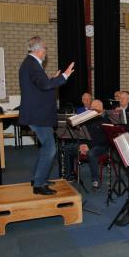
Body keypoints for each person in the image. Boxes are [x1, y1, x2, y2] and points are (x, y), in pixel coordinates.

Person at [18, 36, 75, 195]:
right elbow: (45, 85)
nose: (45, 53)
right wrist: (63, 77)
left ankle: (37, 178)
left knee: (46, 147)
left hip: (38, 113)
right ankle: (39, 184)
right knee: (50, 148)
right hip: (38, 114)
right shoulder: (32, 65)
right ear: (39, 50)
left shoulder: (29, 64)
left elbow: (40, 86)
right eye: (45, 49)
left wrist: (53, 79)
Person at [63, 100, 111, 190]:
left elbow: (104, 139)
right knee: (68, 148)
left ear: (100, 108)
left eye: (94, 108)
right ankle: (70, 175)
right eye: (91, 108)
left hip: (101, 146)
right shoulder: (88, 119)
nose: (91, 110)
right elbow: (81, 134)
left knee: (91, 153)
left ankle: (95, 181)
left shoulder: (106, 120)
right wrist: (81, 144)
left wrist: (89, 146)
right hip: (86, 144)